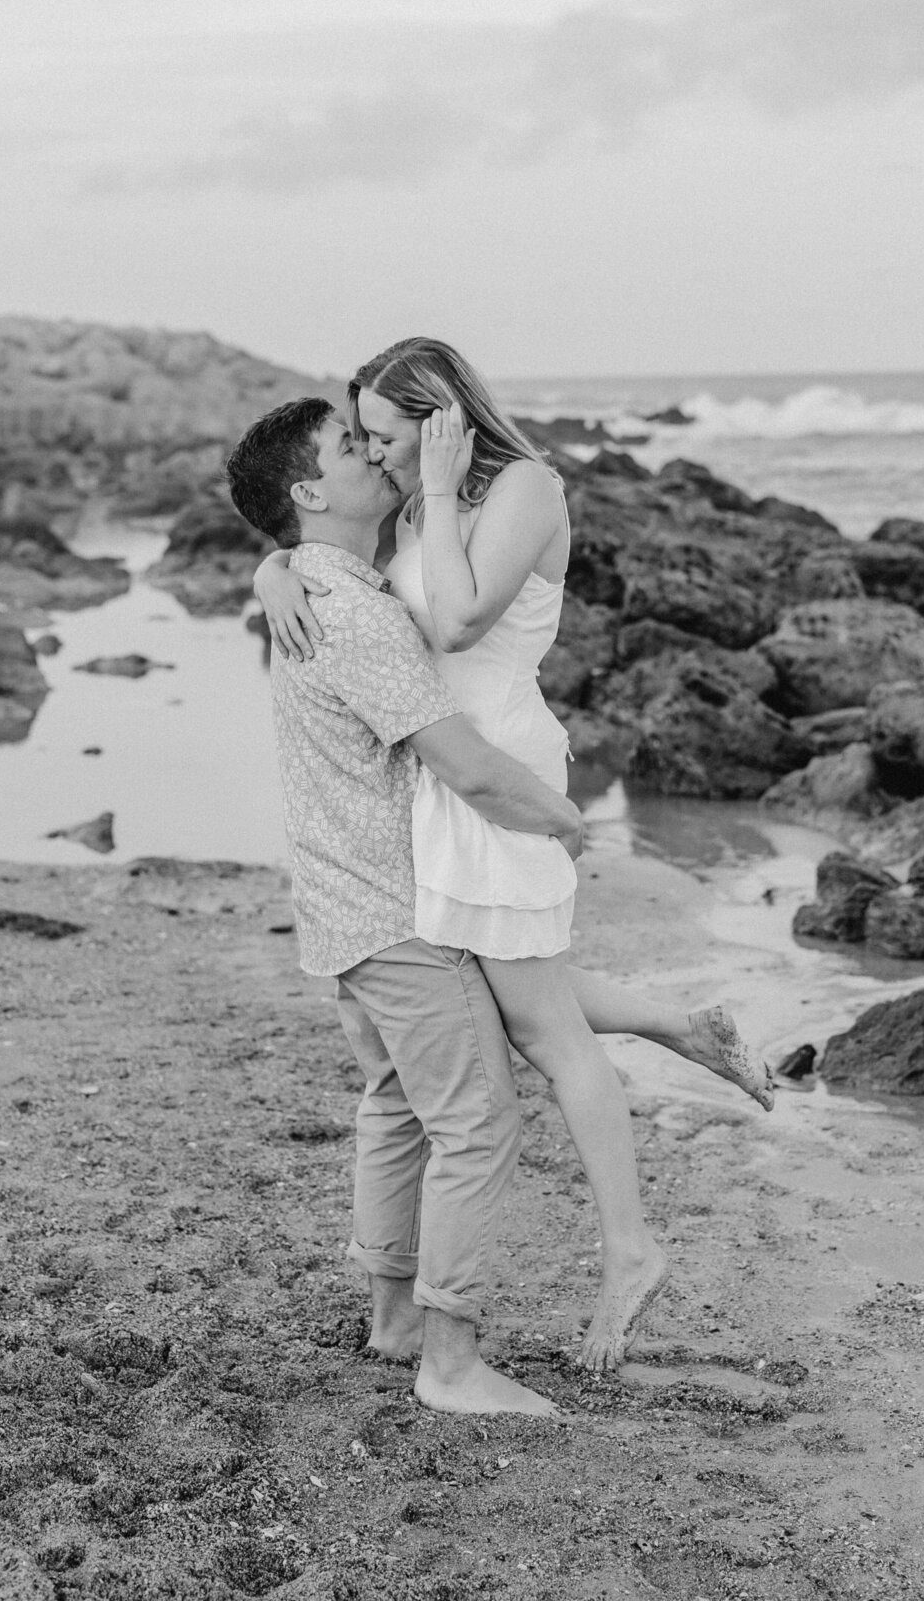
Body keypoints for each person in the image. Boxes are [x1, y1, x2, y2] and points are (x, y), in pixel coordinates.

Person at [255, 339, 775, 1371]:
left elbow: (453, 616)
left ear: (442, 416)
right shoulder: (414, 502)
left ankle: (630, 1246)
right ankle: (676, 1025)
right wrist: (276, 564)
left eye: (388, 435)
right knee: (495, 992)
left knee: (536, 1024)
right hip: (444, 781)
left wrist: (438, 492)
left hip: (495, 772)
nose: (382, 456)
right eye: (363, 442)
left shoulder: (526, 487)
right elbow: (349, 567)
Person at [227, 396, 584, 1416]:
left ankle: (392, 1319)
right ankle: (452, 1360)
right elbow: (468, 766)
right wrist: (567, 825)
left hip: (338, 908)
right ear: (309, 493)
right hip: (395, 915)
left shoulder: (318, 587)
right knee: (477, 1120)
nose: (376, 453)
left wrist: (271, 565)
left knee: (398, 1108)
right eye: (351, 447)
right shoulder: (356, 611)